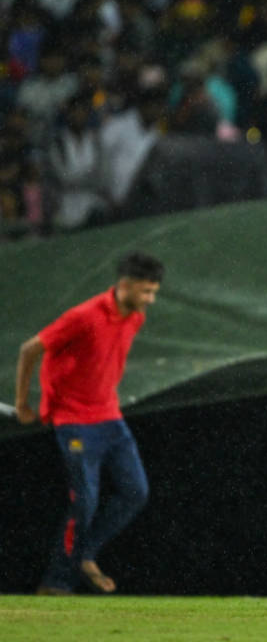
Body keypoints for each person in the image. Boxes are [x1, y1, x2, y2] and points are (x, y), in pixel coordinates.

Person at [13, 251, 164, 595]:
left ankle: (84, 555)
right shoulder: (84, 315)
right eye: (146, 292)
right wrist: (24, 403)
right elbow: (29, 349)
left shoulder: (134, 317)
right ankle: (55, 583)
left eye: (154, 292)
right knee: (85, 501)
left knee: (135, 492)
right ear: (124, 285)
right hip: (74, 422)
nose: (150, 300)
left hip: (110, 418)